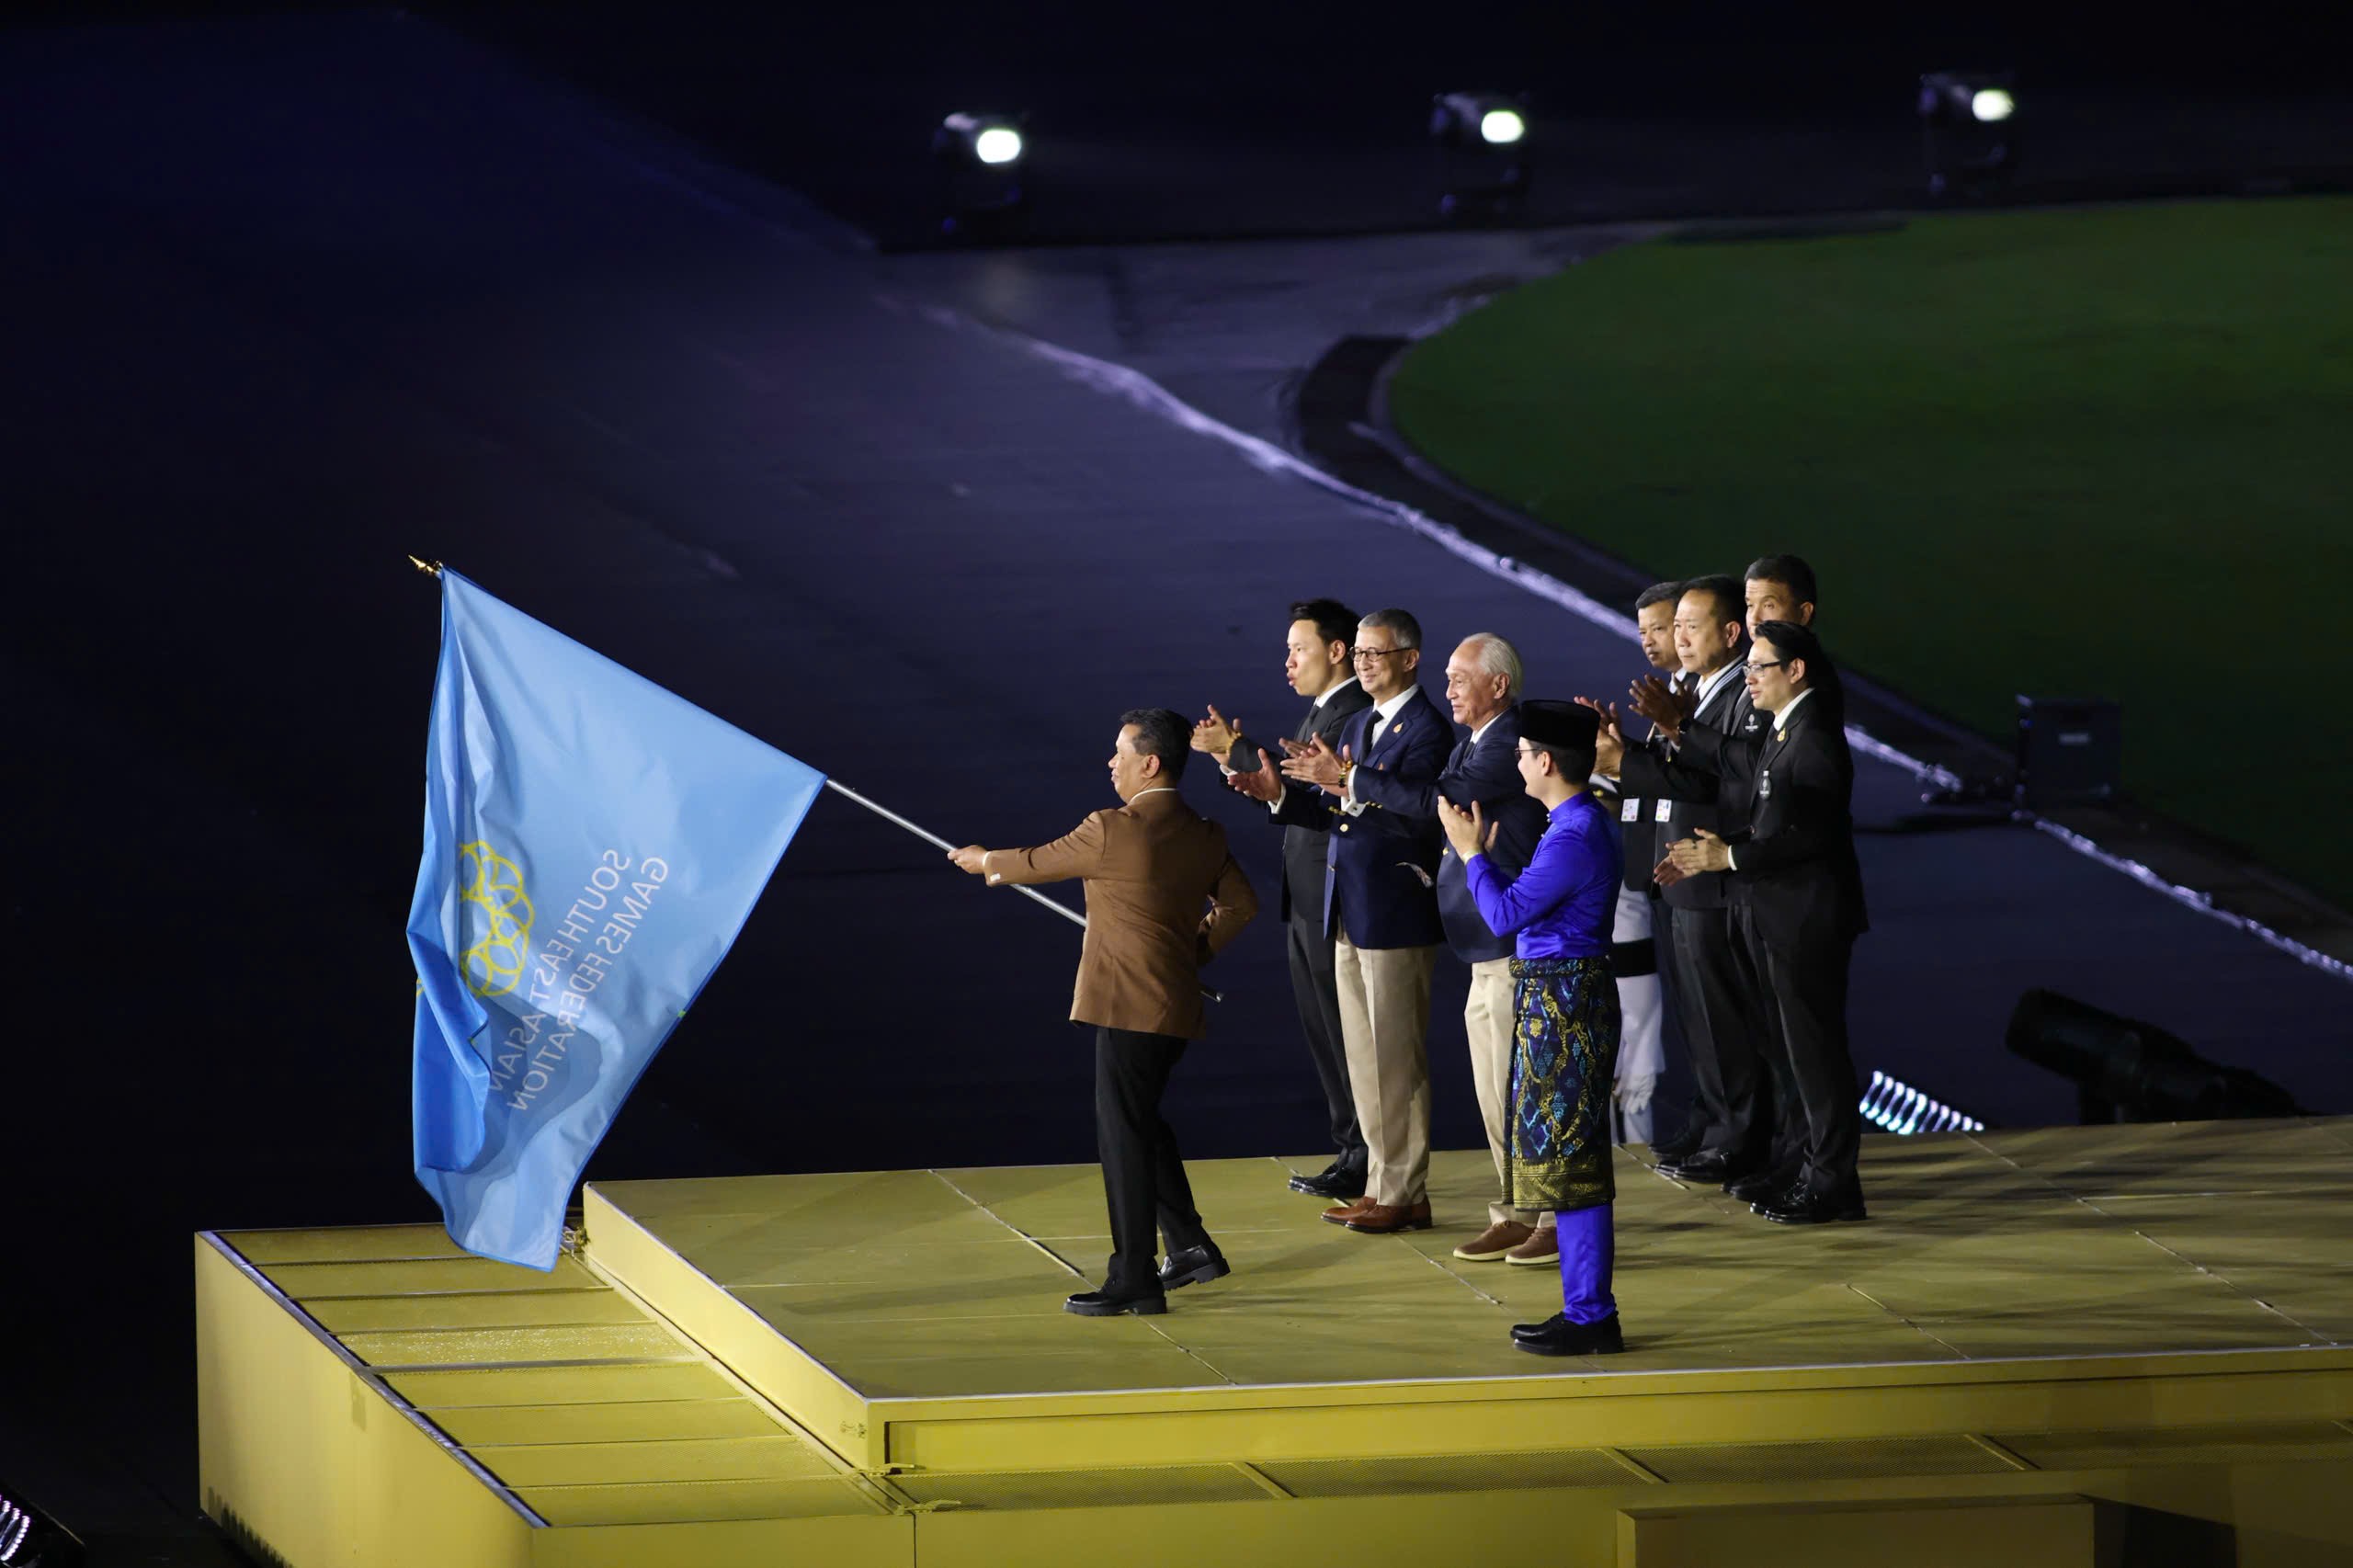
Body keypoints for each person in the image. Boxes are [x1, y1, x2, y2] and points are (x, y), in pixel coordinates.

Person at [949, 709, 1258, 1313]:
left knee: (1122, 1135)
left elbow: (1034, 862)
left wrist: (983, 860)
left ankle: (1134, 1277)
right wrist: (1188, 955)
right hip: (1173, 1005)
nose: (1109, 762)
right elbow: (1241, 906)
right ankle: (1190, 1245)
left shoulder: (1113, 827)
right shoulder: (1204, 833)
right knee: (1142, 1120)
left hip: (1126, 1007)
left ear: (1149, 762)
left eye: (1119, 752)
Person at [1608, 622, 1870, 1224]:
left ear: (1795, 670)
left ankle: (1831, 1183)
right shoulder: (1789, 730)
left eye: (1760, 667)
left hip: (1804, 920)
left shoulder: (1815, 736)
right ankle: (1803, 1167)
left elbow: (1811, 837)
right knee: (1792, 1054)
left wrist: (1729, 855)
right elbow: (1739, 764)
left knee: (1815, 1055)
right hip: (1779, 915)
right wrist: (1679, 732)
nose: (1749, 677)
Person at [1348, 633, 1552, 1266]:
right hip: (1482, 943)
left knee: (1522, 1091)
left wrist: (1354, 777)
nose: (1449, 688)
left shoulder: (1508, 741)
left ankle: (1548, 1216)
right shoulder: (1475, 740)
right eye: (1447, 676)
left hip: (1512, 941)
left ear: (1498, 684)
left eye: (1461, 677)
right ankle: (1517, 1211)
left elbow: (1438, 799)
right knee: (1495, 1091)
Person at [1438, 700, 1626, 1355]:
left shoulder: (1574, 835)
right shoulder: (1574, 824)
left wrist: (1471, 854)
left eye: (1521, 753)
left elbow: (1504, 913)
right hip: (1562, 1000)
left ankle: (1591, 1313)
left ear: (1545, 762)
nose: (1516, 761)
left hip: (1565, 1006)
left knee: (1572, 1160)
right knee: (1569, 1159)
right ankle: (1585, 1308)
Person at [1278, 608, 1450, 1233]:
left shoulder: (1428, 728)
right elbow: (1334, 809)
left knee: (1396, 1057)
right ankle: (1381, 1182)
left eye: (1378, 653)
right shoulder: (1356, 722)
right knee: (1365, 1058)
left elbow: (1421, 812)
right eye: (1363, 654)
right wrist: (1273, 788)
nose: (1366, 663)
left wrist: (1347, 777)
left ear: (1409, 658)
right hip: (1347, 906)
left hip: (1395, 910)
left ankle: (1405, 1188)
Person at [1198, 598, 1374, 1202]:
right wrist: (1234, 758)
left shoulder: (1351, 714)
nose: (1288, 663)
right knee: (1324, 1028)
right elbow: (1284, 794)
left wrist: (1238, 749)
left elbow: (1303, 786)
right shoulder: (1325, 711)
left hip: (1336, 897)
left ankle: (1367, 1151)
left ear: (1336, 651)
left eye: (1298, 650)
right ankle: (1352, 1146)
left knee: (1347, 1030)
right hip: (1308, 896)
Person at [1612, 575, 1777, 1190]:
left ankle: (1739, 1135)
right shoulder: (1694, 692)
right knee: (1700, 1017)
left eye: (1685, 626)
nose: (1674, 639)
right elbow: (1673, 777)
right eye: (1666, 628)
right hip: (1678, 875)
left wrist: (1643, 750)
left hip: (1713, 881)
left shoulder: (1738, 693)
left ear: (1731, 633)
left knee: (1725, 1017)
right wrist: (1626, 754)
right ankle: (1713, 1121)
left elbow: (1715, 783)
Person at [1603, 583, 1681, 1153]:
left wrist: (1622, 765)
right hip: (1658, 883)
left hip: (1692, 882)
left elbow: (1690, 787)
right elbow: (1659, 788)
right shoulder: (1672, 694)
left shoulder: (1690, 701)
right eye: (1644, 632)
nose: (1650, 642)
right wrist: (1618, 764)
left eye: (1661, 628)